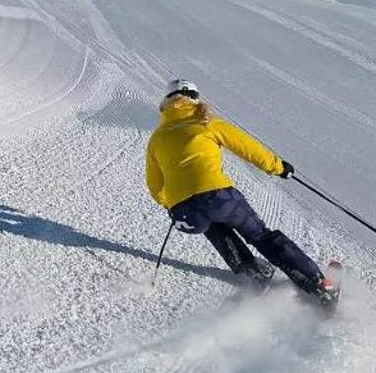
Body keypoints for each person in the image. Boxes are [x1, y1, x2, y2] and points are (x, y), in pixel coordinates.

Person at [145, 79, 338, 300]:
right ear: (195, 99)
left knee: (213, 226)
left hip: (185, 213)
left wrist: (171, 205)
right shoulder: (207, 123)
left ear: (166, 103)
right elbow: (247, 147)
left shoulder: (157, 138)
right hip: (219, 197)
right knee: (261, 236)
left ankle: (253, 273)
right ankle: (318, 284)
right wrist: (278, 167)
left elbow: (154, 185)